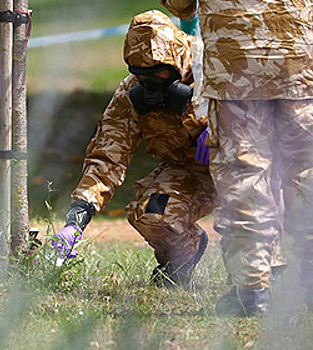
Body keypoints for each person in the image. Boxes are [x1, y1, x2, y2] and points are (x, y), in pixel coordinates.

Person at [162, 0, 313, 315]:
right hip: (303, 59)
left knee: (244, 172)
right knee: (311, 170)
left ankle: (252, 290)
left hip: (236, 62)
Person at [51, 10, 217, 286]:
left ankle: (261, 280)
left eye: (159, 74)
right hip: (190, 172)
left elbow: (265, 111)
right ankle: (182, 257)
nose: (150, 84)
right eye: (142, 76)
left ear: (176, 60)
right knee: (152, 213)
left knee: (251, 220)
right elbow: (108, 154)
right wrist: (77, 219)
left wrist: (213, 125)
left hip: (240, 165)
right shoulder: (130, 94)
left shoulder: (214, 66)